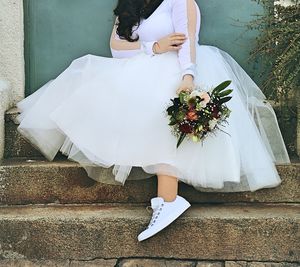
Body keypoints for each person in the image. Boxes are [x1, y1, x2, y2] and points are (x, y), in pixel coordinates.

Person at [16, 0, 290, 242]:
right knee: (90, 77)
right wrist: (154, 47)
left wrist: (188, 78)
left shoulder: (179, 2)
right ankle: (167, 200)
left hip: (181, 70)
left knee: (164, 106)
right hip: (145, 67)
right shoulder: (130, 5)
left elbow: (188, 43)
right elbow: (117, 48)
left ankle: (167, 199)